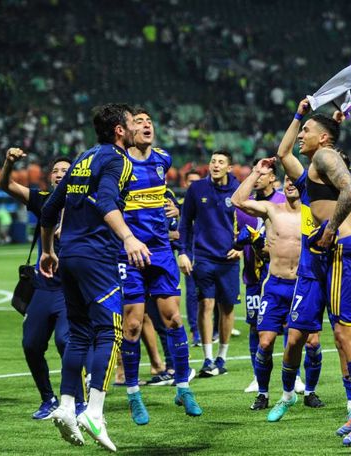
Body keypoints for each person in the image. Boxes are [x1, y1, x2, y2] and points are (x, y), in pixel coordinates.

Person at [272, 98, 351, 445]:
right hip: (331, 255)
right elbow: (282, 153)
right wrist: (299, 115)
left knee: (348, 333)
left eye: (307, 131)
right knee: (340, 334)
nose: (301, 135)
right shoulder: (310, 170)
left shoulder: (326, 156)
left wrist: (331, 228)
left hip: (342, 251)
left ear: (323, 139)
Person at [39, 103, 152, 451]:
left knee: (79, 334)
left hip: (69, 256)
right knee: (111, 330)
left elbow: (48, 209)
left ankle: (67, 405)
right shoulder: (118, 160)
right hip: (96, 257)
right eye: (133, 122)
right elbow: (106, 202)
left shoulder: (83, 157)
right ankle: (96, 411)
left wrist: (48, 250)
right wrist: (129, 237)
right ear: (120, 130)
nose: (137, 126)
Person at [118, 108, 202, 425]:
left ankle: (183, 387)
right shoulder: (119, 163)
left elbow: (162, 196)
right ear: (127, 131)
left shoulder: (162, 160)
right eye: (139, 122)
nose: (146, 125)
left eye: (149, 121)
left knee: (175, 320)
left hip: (161, 251)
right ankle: (134, 397)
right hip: (129, 254)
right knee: (134, 326)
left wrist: (173, 207)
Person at [232, 160, 325, 411]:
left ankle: (311, 392)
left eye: (296, 181)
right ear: (281, 184)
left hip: (304, 287)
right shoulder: (272, 210)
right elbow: (238, 201)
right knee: (265, 343)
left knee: (312, 343)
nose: (291, 184)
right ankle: (262, 393)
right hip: (274, 286)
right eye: (287, 180)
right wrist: (256, 173)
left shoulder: (313, 213)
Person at [0, 149, 84, 419]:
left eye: (65, 170)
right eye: (56, 171)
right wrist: (9, 163)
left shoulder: (86, 204)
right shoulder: (44, 201)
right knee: (31, 344)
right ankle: (48, 399)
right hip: (43, 288)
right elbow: (6, 185)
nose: (60, 174)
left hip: (71, 289)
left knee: (65, 340)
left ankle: (78, 401)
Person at [177, 150, 241, 377]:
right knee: (206, 305)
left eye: (221, 162)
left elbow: (250, 221)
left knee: (227, 307)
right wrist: (182, 252)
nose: (215, 165)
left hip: (229, 258)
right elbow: (184, 223)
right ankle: (207, 358)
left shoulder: (238, 189)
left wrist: (242, 248)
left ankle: (222, 356)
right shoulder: (197, 189)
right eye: (213, 161)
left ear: (229, 167)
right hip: (203, 257)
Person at [181, 169, 202, 346]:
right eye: (190, 181)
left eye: (197, 181)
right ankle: (195, 331)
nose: (194, 185)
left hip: (207, 252)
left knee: (212, 293)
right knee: (192, 292)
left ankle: (215, 329)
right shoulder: (179, 204)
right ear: (185, 184)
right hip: (189, 252)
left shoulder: (206, 202)